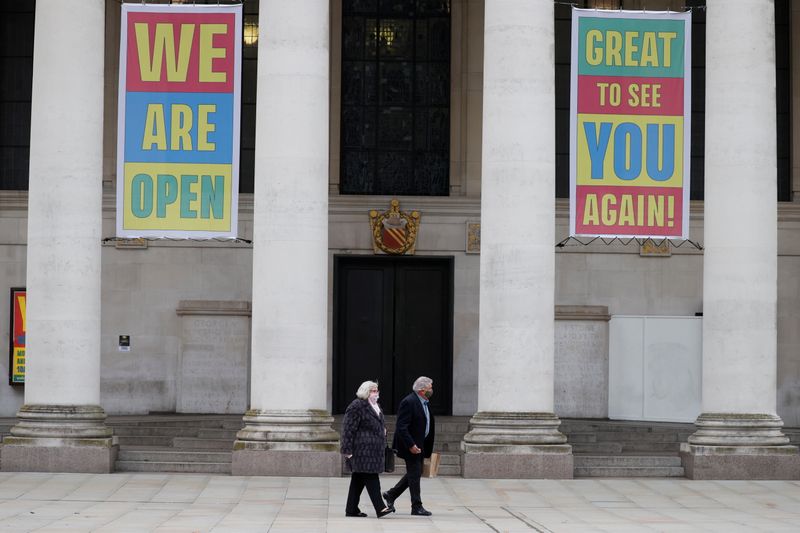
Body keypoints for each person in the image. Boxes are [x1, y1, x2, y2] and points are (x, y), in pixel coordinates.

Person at [340, 380, 394, 518]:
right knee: (371, 477)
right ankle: (380, 508)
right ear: (366, 392)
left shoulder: (375, 405)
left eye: (377, 390)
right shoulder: (357, 406)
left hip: (374, 451)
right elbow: (347, 429)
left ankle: (351, 509)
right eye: (373, 390)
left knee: (358, 479)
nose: (376, 393)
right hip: (362, 451)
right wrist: (346, 450)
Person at [383, 376, 435, 516]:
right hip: (409, 446)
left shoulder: (425, 402)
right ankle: (416, 506)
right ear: (422, 390)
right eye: (430, 387)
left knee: (415, 473)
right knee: (415, 474)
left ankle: (391, 494)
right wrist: (411, 444)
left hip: (420, 445)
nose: (432, 390)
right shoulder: (409, 402)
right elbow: (401, 427)